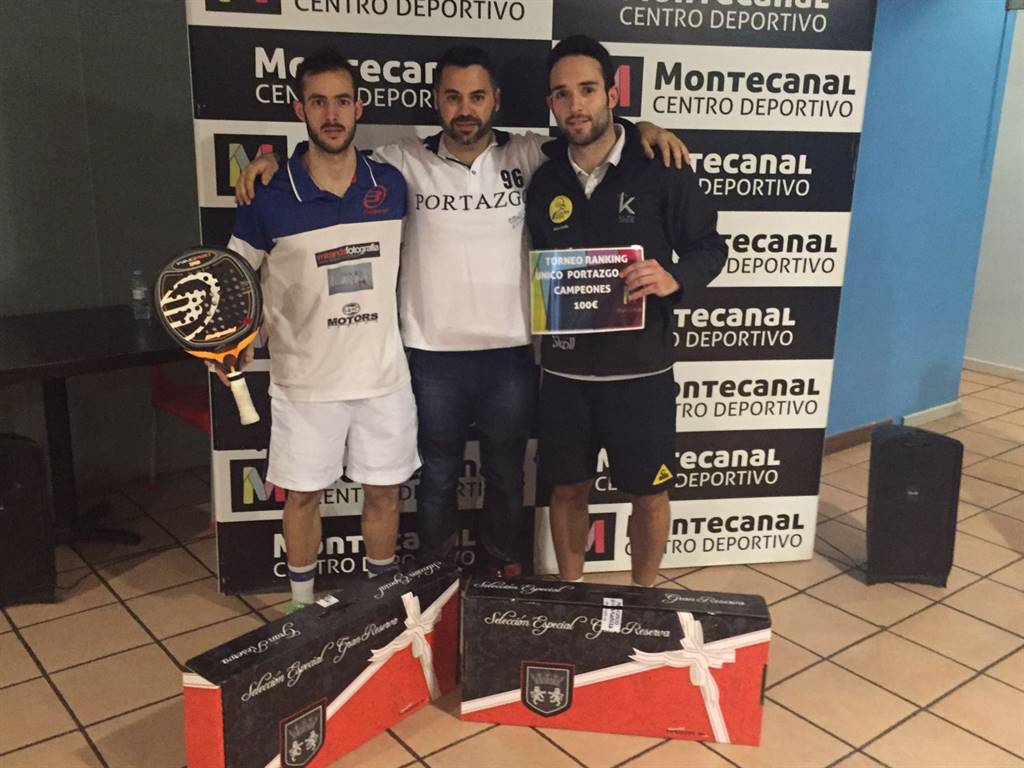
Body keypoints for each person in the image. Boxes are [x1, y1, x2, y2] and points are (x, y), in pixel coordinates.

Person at [236, 46, 688, 577]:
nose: (465, 109)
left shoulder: (528, 154)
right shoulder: (401, 161)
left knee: (505, 476)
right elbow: (329, 154)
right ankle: (435, 578)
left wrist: (642, 128)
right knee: (437, 478)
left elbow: (592, 136)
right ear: (437, 101)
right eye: (453, 97)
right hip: (431, 356)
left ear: (495, 99)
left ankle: (503, 575)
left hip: (511, 354)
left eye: (477, 96)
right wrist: (274, 162)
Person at [525, 35, 727, 587]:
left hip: (642, 374)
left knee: (650, 494)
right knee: (566, 490)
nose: (576, 105)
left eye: (588, 89)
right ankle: (572, 592)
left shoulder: (661, 165)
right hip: (565, 376)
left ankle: (644, 597)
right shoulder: (543, 178)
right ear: (550, 103)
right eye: (562, 94)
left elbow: (711, 248)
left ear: (613, 94)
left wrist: (673, 277)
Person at [226, 47, 419, 612]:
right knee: (303, 499)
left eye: (341, 101)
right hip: (304, 384)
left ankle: (380, 604)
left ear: (359, 107)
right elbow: (235, 280)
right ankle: (300, 609)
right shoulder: (267, 194)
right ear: (299, 109)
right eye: (318, 102)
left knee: (383, 494)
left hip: (382, 379)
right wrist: (234, 342)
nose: (331, 115)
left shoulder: (392, 183)